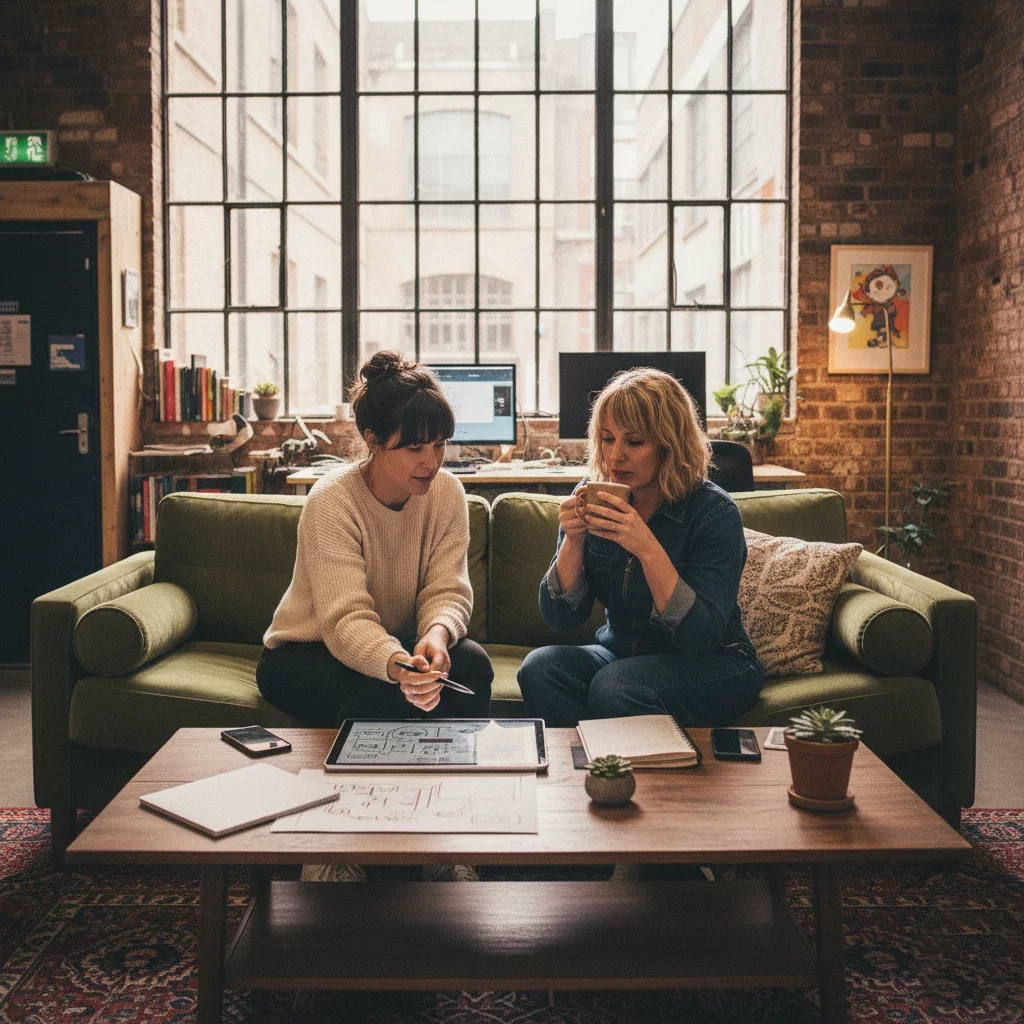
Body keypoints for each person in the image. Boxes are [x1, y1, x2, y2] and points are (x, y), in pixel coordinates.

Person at [518, 367, 764, 729]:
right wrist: (573, 539)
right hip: (620, 654)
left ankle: (624, 772)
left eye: (634, 442)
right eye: (606, 439)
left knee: (615, 686)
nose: (616, 456)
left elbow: (699, 637)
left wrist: (647, 548)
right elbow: (560, 619)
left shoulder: (714, 513)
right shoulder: (594, 494)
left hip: (717, 662)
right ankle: (589, 771)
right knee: (540, 668)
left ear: (670, 444)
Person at [258, 350, 493, 729]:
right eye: (415, 448)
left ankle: (460, 778)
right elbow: (345, 620)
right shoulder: (332, 501)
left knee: (473, 665)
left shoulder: (447, 493)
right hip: (305, 653)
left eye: (439, 444)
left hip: (399, 641)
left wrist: (436, 633)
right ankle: (362, 787)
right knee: (384, 692)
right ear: (374, 441)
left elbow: (448, 589)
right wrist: (398, 666)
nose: (432, 462)